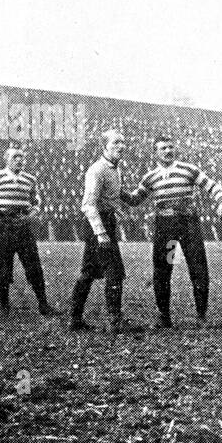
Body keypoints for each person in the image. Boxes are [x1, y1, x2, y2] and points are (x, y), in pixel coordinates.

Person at [125, 135, 222, 328]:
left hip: (188, 224)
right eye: (163, 148)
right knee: (163, 269)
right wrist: (115, 189)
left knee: (197, 267)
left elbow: (213, 186)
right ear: (155, 153)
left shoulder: (188, 169)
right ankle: (164, 316)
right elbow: (134, 200)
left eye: (170, 147)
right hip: (165, 227)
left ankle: (201, 316)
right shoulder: (150, 177)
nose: (168, 151)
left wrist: (221, 204)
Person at [0, 146, 56, 317]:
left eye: (21, 157)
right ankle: (4, 306)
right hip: (4, 225)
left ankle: (43, 304)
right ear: (6, 159)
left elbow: (37, 202)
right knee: (4, 267)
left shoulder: (30, 179)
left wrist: (31, 215)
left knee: (34, 266)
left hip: (23, 226)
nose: (19, 160)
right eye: (15, 157)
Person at [69, 129, 138, 333]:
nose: (121, 146)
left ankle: (75, 319)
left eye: (122, 142)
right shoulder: (97, 170)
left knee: (88, 272)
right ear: (104, 146)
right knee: (115, 271)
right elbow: (88, 205)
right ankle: (114, 322)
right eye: (116, 142)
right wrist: (101, 233)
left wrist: (120, 206)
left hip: (106, 221)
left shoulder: (115, 168)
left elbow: (110, 195)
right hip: (97, 225)